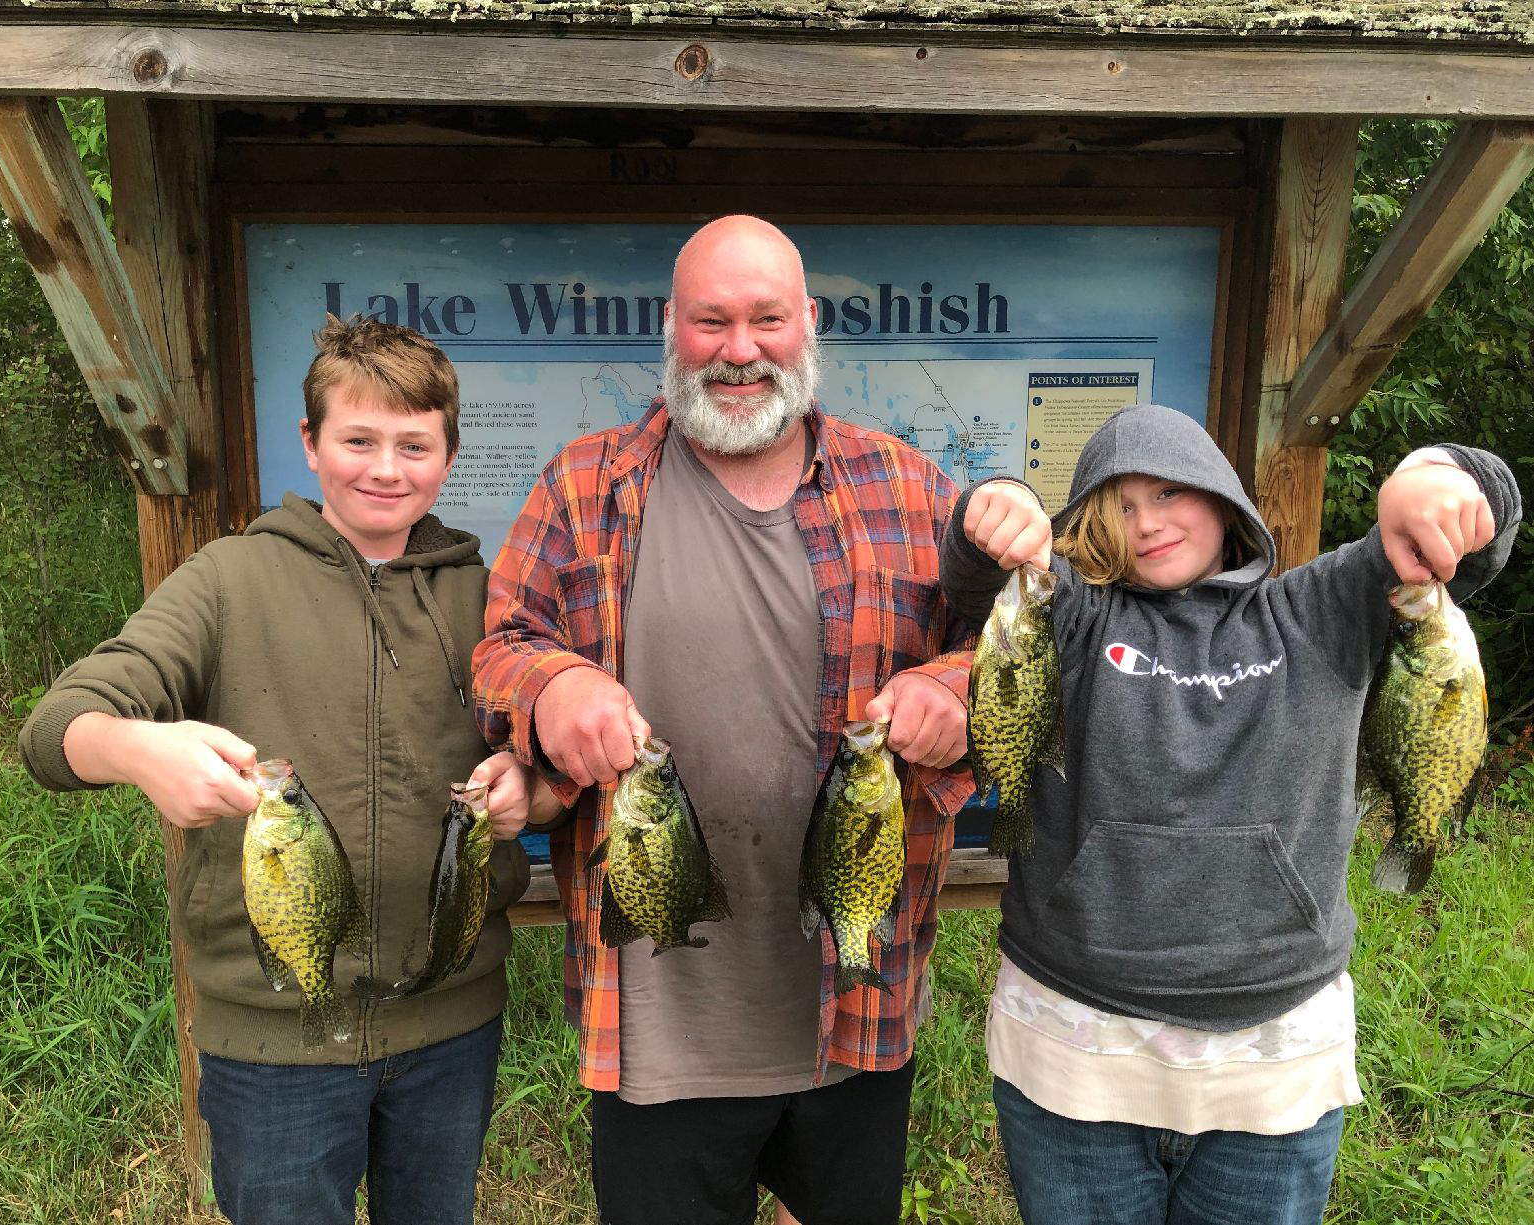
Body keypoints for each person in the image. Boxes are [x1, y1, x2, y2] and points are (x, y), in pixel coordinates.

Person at [472, 215, 976, 1225]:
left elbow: (1010, 644)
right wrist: (552, 689)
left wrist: (957, 692)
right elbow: (500, 645)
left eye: (765, 319)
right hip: (656, 1019)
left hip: (853, 1000)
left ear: (808, 325)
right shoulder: (582, 486)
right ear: (673, 327)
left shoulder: (912, 488)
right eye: (711, 320)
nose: (739, 349)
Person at [19, 315, 560, 1225]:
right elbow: (57, 727)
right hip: (269, 1042)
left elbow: (551, 757)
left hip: (452, 1024)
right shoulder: (225, 579)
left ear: (449, 455)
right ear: (309, 444)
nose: (385, 467)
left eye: (412, 444)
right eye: (358, 439)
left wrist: (532, 790)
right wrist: (136, 748)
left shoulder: (490, 593)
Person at [939, 403, 1521, 1225]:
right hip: (1074, 1048)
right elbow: (973, 580)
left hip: (1272, 1068)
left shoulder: (1320, 610)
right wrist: (991, 509)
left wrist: (1430, 476)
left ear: (1223, 498)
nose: (1148, 522)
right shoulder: (1069, 615)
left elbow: (1474, 542)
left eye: (1171, 491)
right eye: (1120, 505)